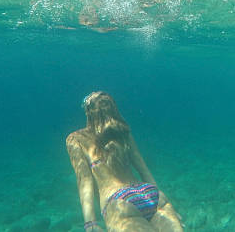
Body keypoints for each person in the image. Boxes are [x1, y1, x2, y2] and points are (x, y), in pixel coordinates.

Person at [66, 91, 184, 232]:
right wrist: (169, 206)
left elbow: (84, 182)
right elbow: (143, 169)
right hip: (151, 195)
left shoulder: (75, 139)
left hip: (118, 201)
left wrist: (90, 223)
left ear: (87, 112)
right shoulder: (123, 132)